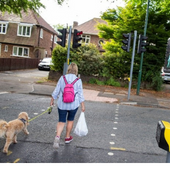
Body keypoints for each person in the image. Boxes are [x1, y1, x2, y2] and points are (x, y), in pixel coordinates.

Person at [50, 62, 85, 149]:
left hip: (62, 103)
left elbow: (56, 90)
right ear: (76, 70)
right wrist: (83, 105)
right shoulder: (78, 80)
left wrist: (52, 100)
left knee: (61, 121)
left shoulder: (62, 78)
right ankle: (67, 137)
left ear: (68, 69)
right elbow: (80, 94)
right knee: (70, 120)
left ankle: (57, 137)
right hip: (74, 104)